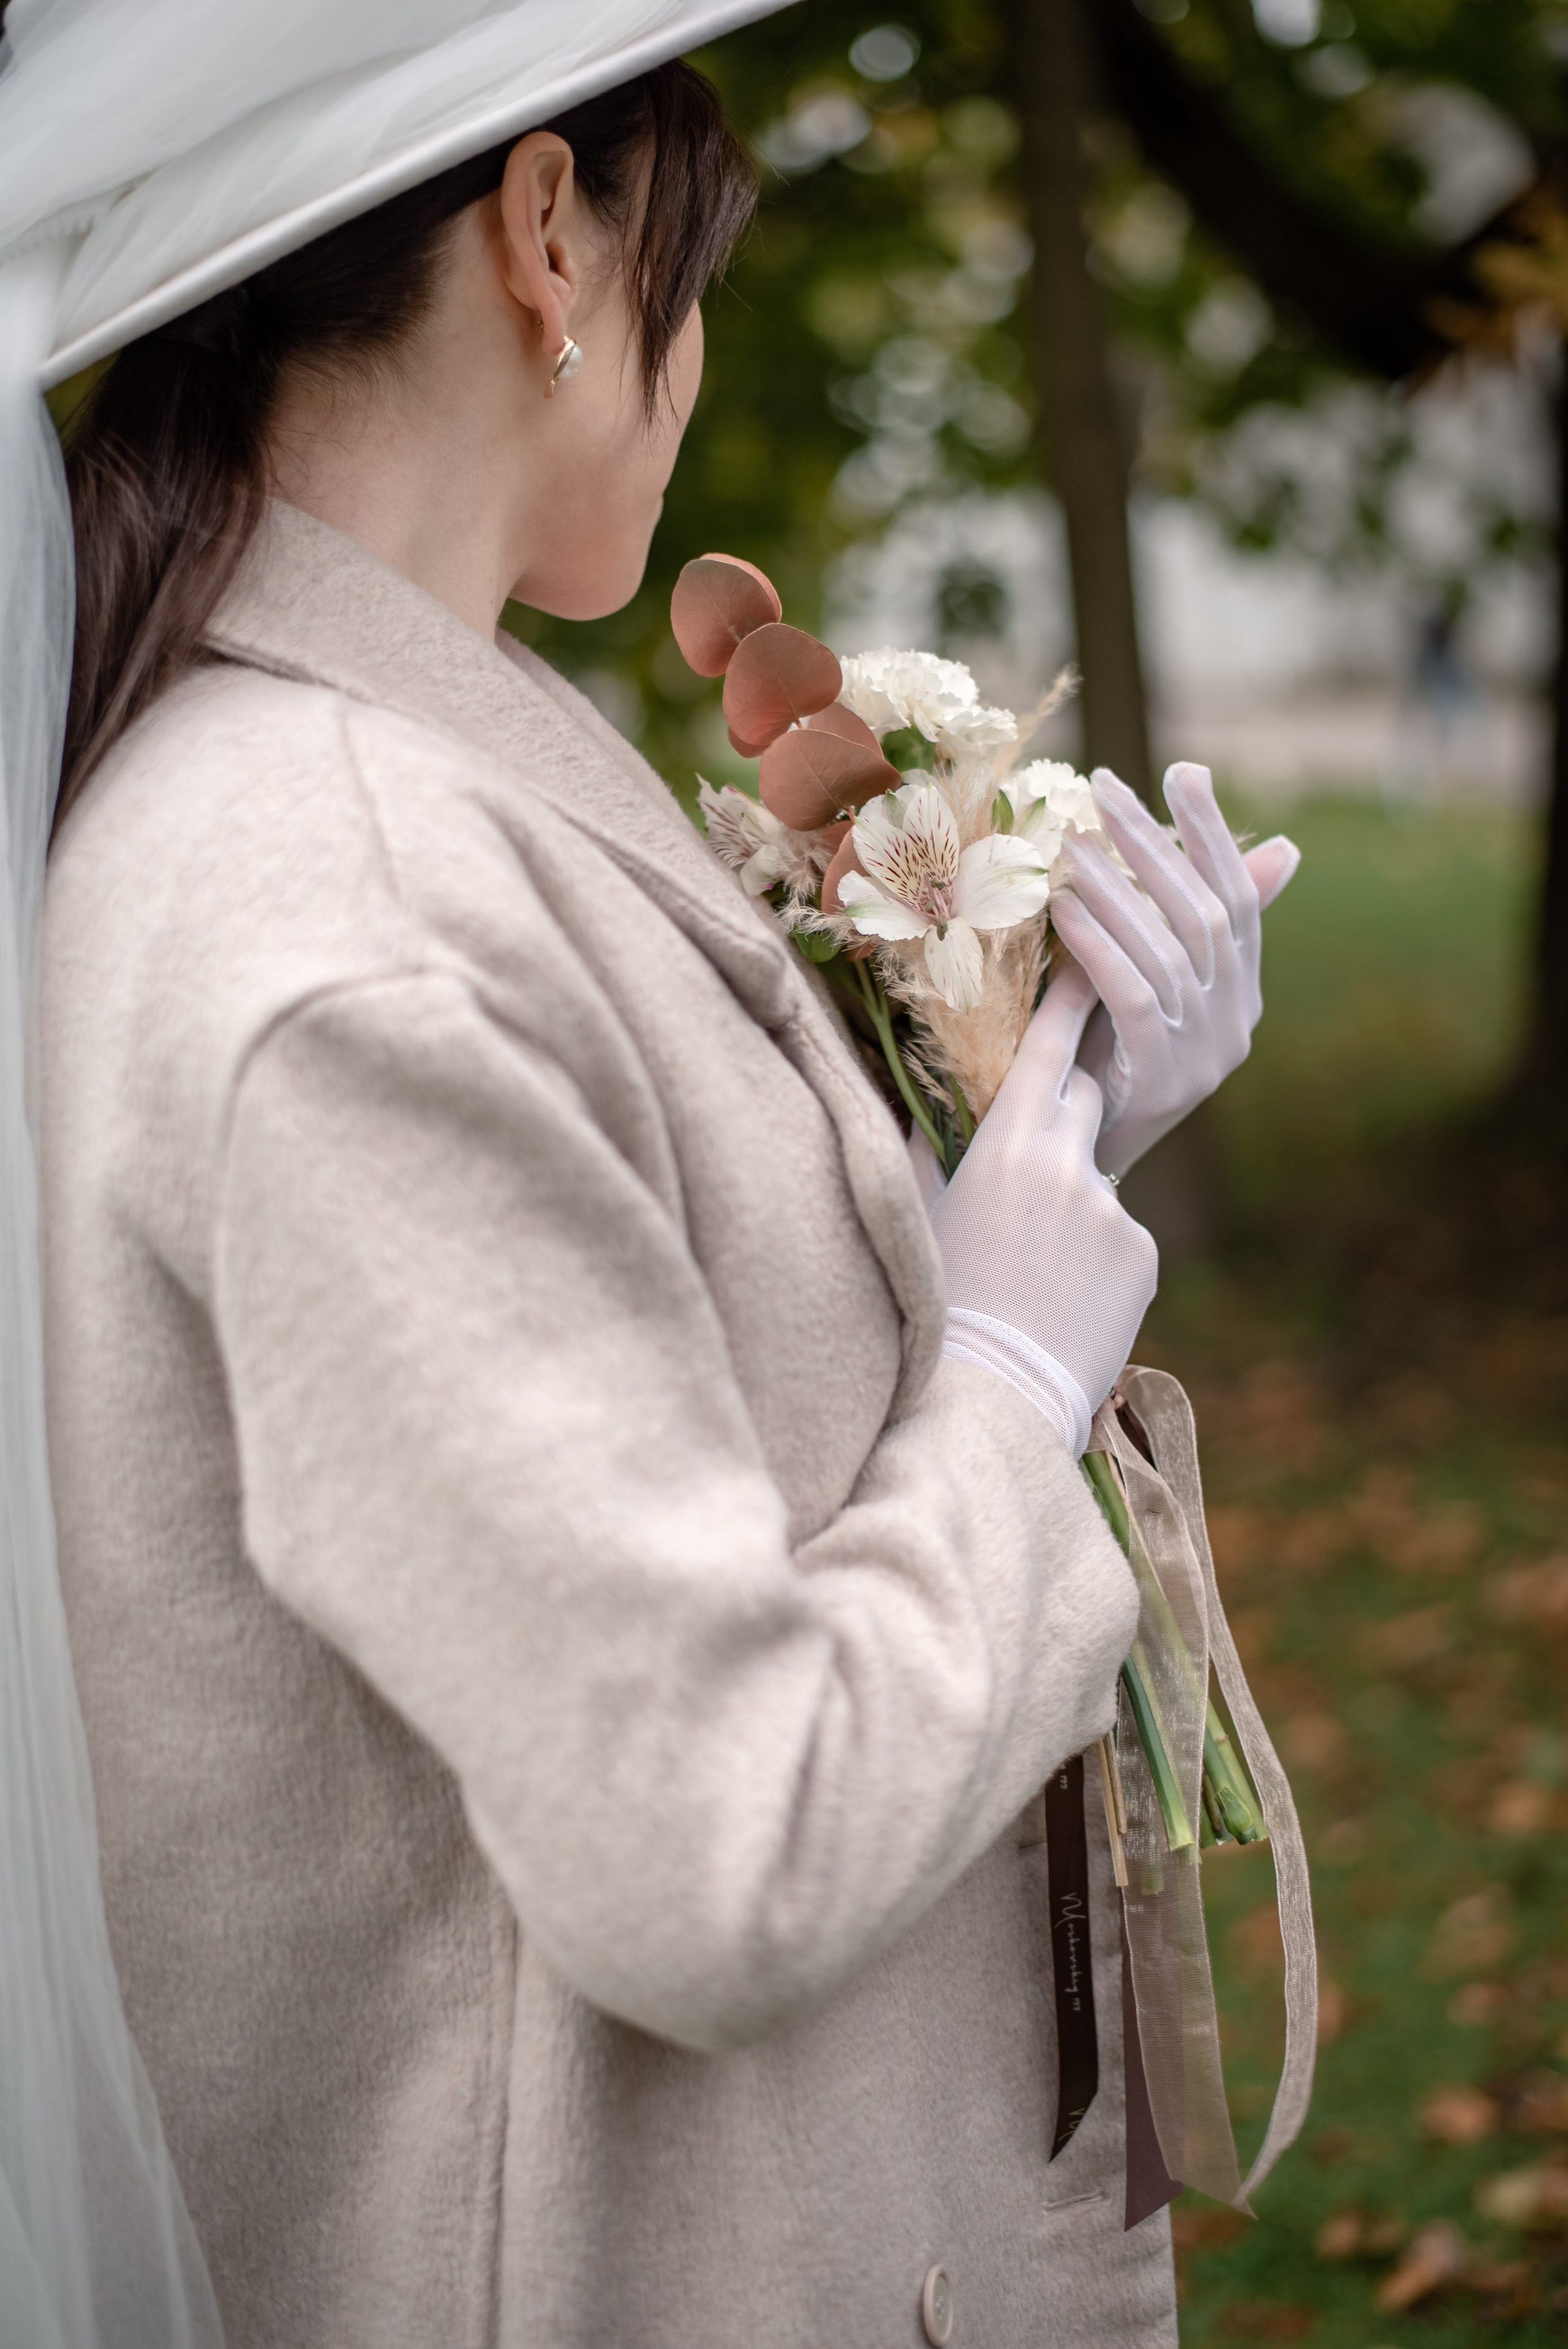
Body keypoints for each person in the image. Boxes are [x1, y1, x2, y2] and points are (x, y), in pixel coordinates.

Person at [10, 7, 1296, 2344]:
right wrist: (1007, 1375)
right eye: (686, 268)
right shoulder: (347, 897)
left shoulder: (394, 764)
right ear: (543, 233)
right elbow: (726, 1840)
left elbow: (662, 1344)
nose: (689, 364)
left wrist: (1044, 1113)